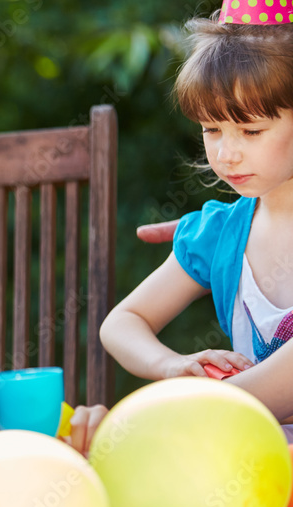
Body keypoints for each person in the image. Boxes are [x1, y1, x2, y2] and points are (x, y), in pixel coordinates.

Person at [100, 3, 293, 438]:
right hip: (254, 474)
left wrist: (187, 415)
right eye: (211, 129)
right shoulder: (219, 233)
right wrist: (171, 366)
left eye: (252, 131)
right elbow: (122, 322)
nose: (226, 153)